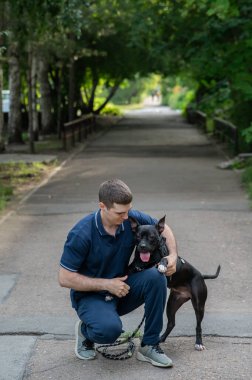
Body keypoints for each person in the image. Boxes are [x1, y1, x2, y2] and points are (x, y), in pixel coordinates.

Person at [58, 179, 178, 368]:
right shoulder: (81, 233)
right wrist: (106, 284)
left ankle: (150, 344)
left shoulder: (129, 218)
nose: (126, 217)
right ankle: (86, 331)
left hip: (122, 288)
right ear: (102, 206)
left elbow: (163, 228)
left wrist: (172, 255)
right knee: (108, 331)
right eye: (120, 213)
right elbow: (64, 278)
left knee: (156, 276)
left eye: (128, 210)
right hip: (92, 295)